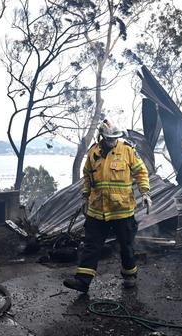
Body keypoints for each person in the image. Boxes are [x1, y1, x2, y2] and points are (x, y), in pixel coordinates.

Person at [63, 119, 152, 293]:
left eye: (115, 138)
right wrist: (84, 197)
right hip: (97, 210)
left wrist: (146, 193)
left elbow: (141, 172)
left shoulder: (127, 150)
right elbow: (87, 176)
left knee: (126, 245)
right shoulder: (93, 153)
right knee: (91, 245)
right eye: (109, 138)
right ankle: (82, 281)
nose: (112, 141)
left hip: (122, 210)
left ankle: (129, 275)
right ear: (102, 136)